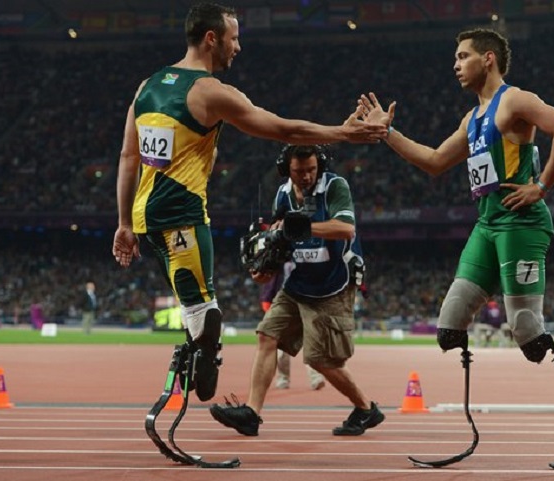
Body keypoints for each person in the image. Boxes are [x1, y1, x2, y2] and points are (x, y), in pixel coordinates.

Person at [111, 3, 385, 403]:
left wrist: (122, 223)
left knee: (195, 306)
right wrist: (342, 133)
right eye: (234, 37)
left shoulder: (147, 85)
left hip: (144, 219)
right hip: (182, 218)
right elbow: (282, 128)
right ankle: (200, 361)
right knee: (207, 314)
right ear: (211, 38)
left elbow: (127, 157)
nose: (237, 47)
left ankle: (195, 348)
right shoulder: (210, 92)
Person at [358, 27, 554, 365]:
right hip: (487, 223)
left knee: (528, 334)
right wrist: (387, 132)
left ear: (488, 59)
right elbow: (434, 162)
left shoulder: (514, 100)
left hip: (519, 221)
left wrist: (542, 186)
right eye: (456, 58)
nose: (456, 65)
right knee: (448, 329)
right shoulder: (472, 119)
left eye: (463, 57)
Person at [209, 144, 384, 436]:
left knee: (319, 360)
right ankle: (251, 414)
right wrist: (267, 267)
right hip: (300, 280)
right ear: (285, 170)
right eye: (298, 171)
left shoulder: (335, 186)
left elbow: (346, 229)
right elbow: (282, 237)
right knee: (266, 336)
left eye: (311, 170)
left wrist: (300, 227)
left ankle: (366, 409)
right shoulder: (283, 194)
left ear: (320, 166)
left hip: (334, 283)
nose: (305, 176)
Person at [262, 260, 325, 390]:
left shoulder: (307, 262)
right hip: (284, 308)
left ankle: (316, 378)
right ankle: (283, 379)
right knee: (281, 350)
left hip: (306, 305)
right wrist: (271, 312)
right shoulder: (279, 265)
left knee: (311, 345)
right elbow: (268, 291)